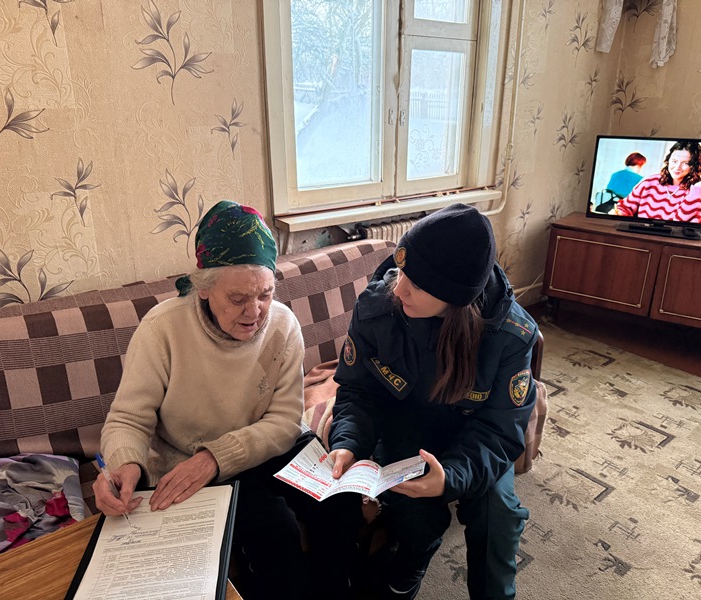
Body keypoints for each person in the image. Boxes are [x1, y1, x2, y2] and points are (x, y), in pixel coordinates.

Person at [93, 200, 362, 600]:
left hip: (267, 442)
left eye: (266, 294)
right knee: (274, 530)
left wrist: (217, 456)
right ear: (203, 288)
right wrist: (125, 464)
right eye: (238, 299)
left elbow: (286, 420)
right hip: (189, 457)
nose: (255, 312)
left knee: (340, 502)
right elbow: (128, 420)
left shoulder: (283, 325)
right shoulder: (162, 329)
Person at [328, 204, 537, 600]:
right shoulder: (377, 306)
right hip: (407, 429)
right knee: (414, 514)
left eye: (418, 285)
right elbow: (358, 391)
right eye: (401, 271)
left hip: (474, 435)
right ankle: (412, 562)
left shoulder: (511, 334)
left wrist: (451, 477)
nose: (399, 289)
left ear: (457, 298)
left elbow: (499, 431)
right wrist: (348, 441)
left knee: (498, 515)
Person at [614, 140, 701, 223]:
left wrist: (697, 190)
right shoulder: (650, 181)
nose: (677, 167)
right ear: (668, 160)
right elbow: (626, 207)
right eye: (674, 161)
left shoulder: (697, 191)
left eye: (685, 163)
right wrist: (620, 212)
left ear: (694, 166)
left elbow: (684, 227)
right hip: (642, 234)